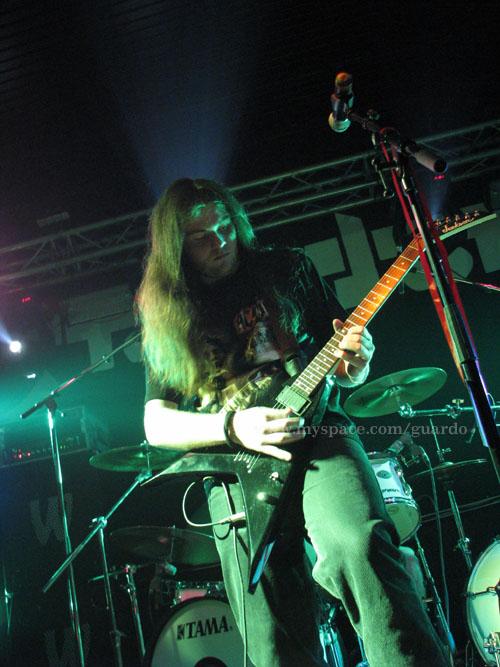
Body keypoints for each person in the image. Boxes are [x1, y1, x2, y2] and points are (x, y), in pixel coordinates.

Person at [137, 178, 450, 667]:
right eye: (201, 237)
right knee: (268, 624)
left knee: (360, 544)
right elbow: (156, 424)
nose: (220, 242)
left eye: (225, 226)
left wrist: (357, 363)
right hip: (236, 467)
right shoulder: (169, 311)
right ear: (176, 247)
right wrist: (234, 427)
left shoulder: (288, 268)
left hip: (320, 433)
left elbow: (344, 367)